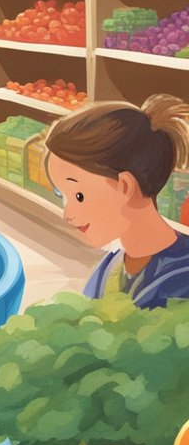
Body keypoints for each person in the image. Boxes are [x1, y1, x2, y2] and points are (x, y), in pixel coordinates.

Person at [45, 94, 189, 309]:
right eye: (61, 195)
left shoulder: (180, 284)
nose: (67, 214)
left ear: (125, 186)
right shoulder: (110, 268)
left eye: (79, 196)